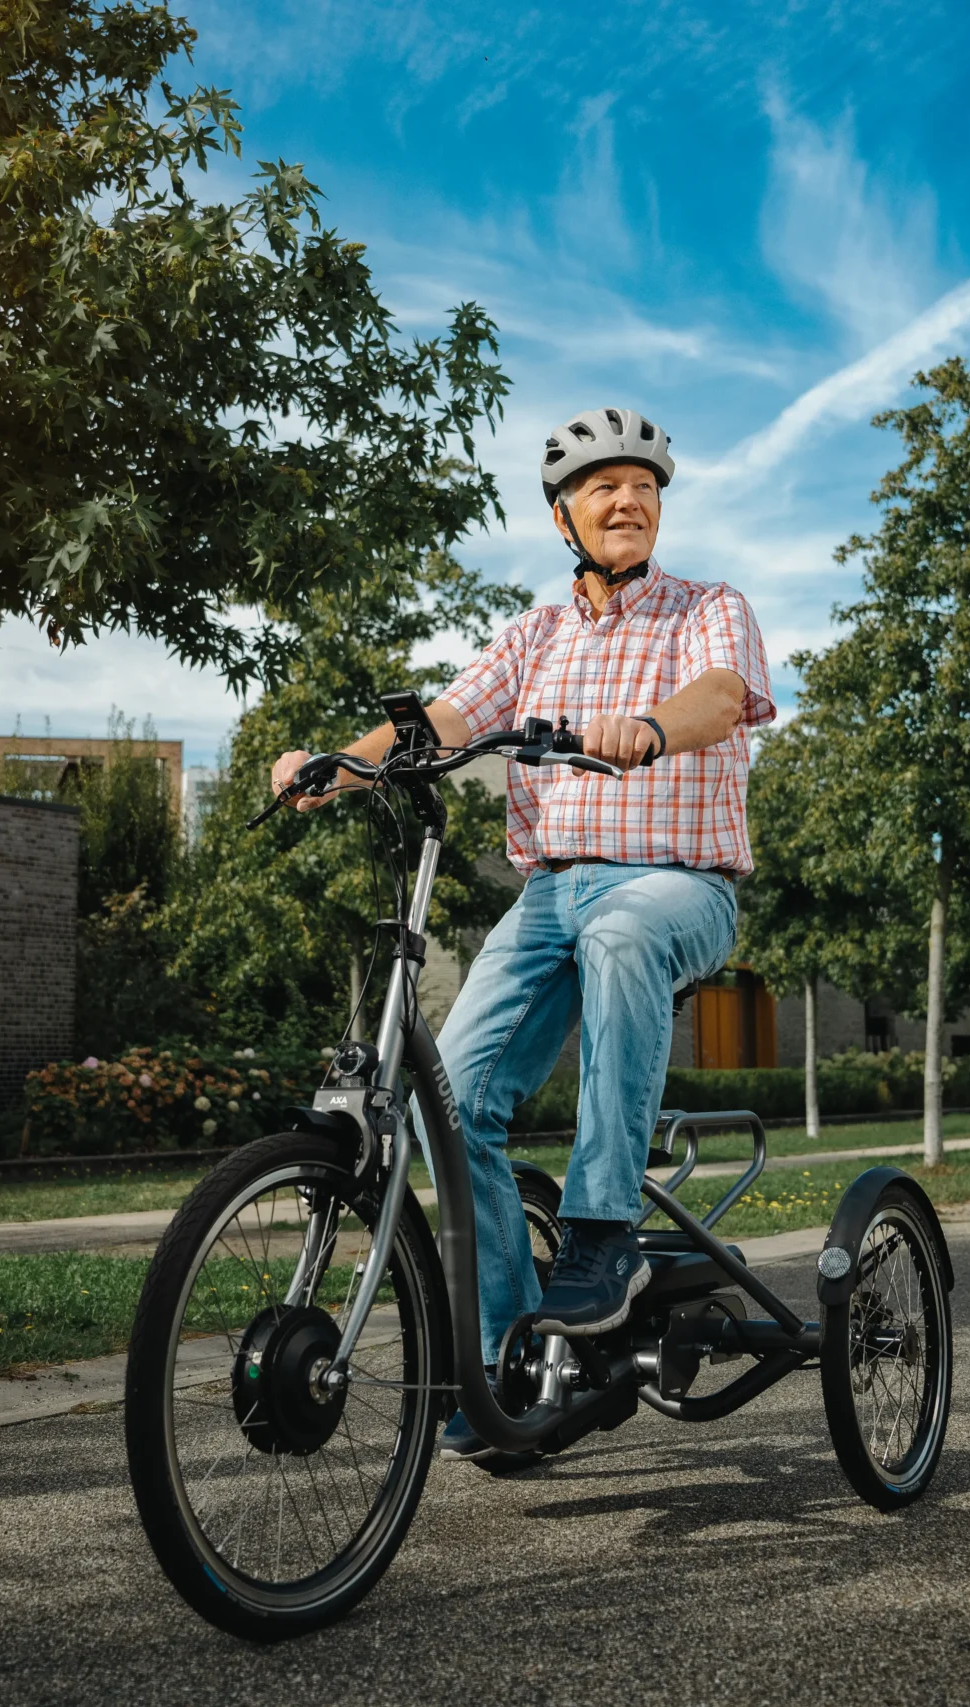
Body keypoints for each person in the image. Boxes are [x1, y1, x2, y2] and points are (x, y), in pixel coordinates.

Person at [270, 406, 774, 1462]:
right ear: (563, 519)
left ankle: (600, 1239)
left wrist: (647, 729)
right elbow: (447, 720)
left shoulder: (706, 609)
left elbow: (724, 698)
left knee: (628, 936)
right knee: (454, 1099)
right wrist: (340, 760)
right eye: (602, 488)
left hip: (676, 883)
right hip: (551, 897)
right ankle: (508, 1361)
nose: (627, 501)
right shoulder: (534, 635)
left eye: (642, 485)